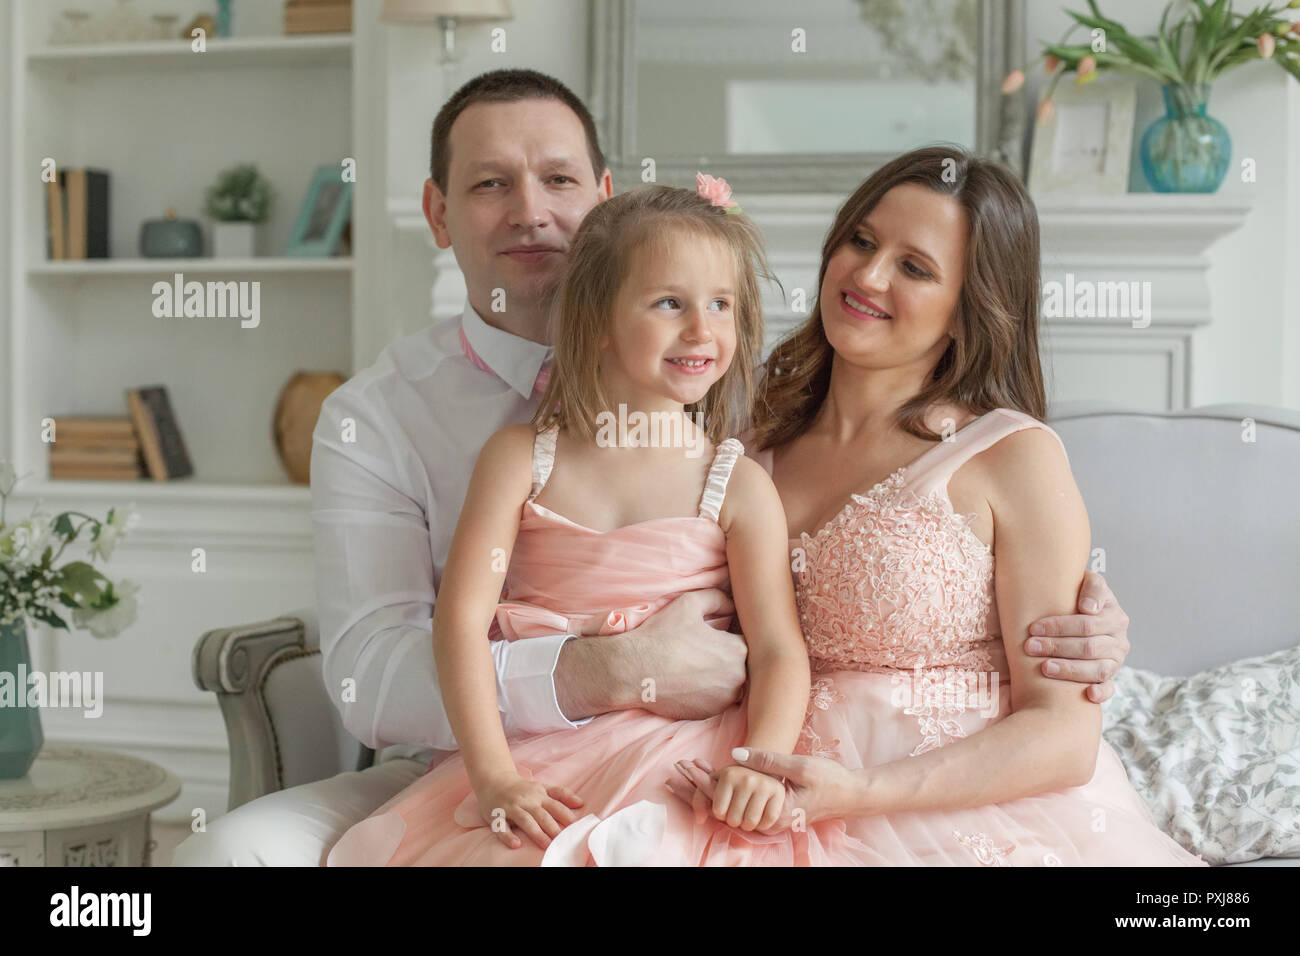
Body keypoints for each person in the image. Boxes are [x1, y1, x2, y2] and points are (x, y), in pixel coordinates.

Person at [172, 70, 1133, 867]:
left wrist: (1099, 627)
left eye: (557, 178)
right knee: (225, 855)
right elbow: (371, 678)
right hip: (493, 759)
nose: (530, 212)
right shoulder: (376, 416)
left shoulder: (735, 412)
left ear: (604, 200)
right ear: (435, 212)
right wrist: (602, 673)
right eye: (488, 185)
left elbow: (972, 606)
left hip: (767, 763)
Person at [663, 146, 1206, 866]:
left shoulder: (1011, 457)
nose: (867, 275)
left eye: (914, 267)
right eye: (861, 240)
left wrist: (853, 793)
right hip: (746, 789)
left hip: (937, 813)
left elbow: (1064, 736)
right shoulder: (742, 431)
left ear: (968, 309)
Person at [327, 180, 815, 865]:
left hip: (681, 756)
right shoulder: (521, 459)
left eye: (721, 305)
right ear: (600, 321)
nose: (702, 330)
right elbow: (461, 624)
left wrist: (759, 767)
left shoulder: (736, 485)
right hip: (539, 754)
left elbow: (778, 652)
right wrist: (494, 776)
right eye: (670, 303)